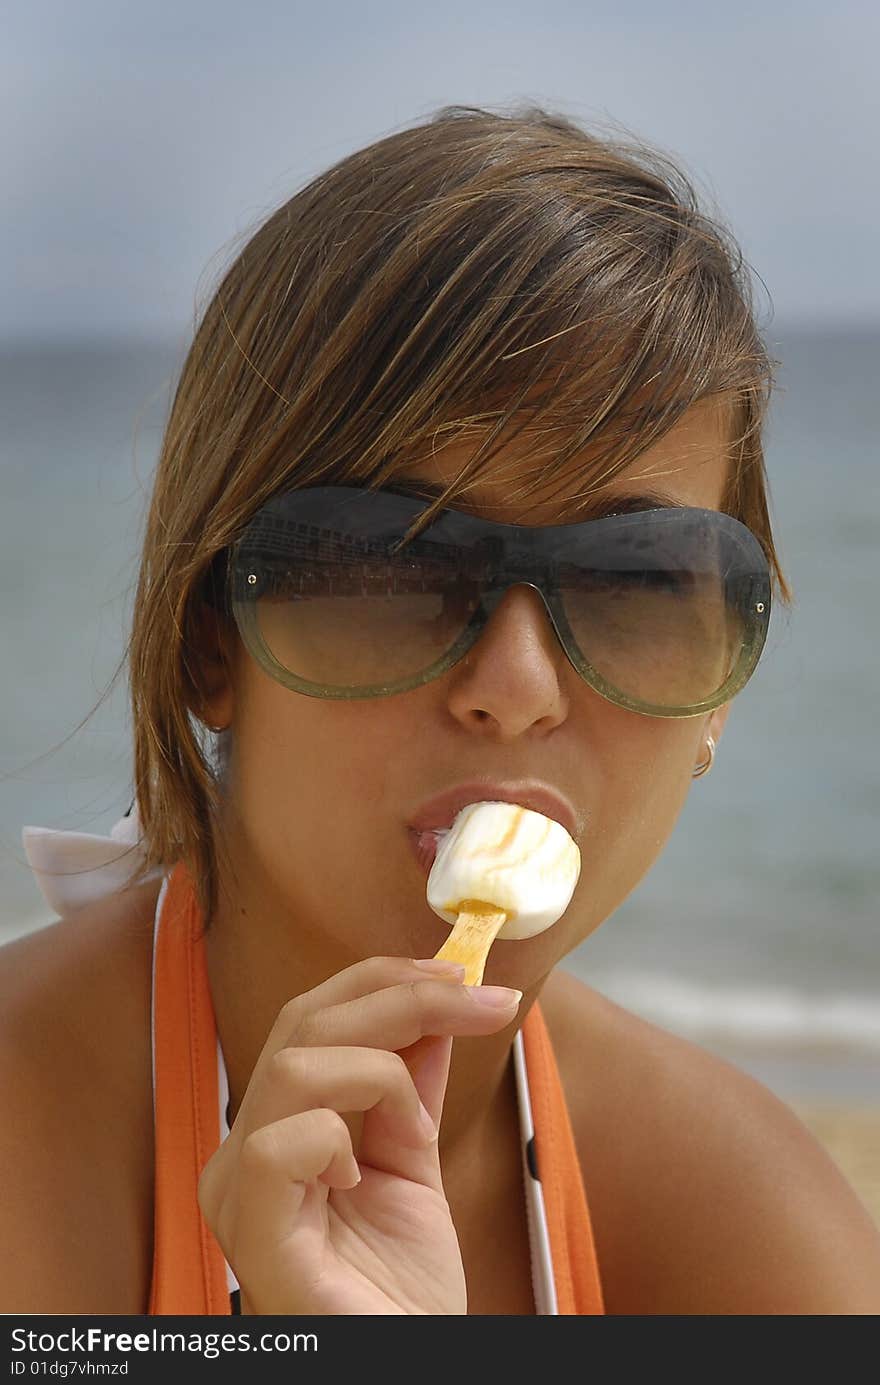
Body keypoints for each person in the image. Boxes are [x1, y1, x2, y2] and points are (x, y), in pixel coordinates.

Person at [3, 104, 879, 1317]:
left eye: (636, 575)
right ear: (209, 638)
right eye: (391, 560)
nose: (515, 688)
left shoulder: (746, 1227)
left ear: (717, 703)